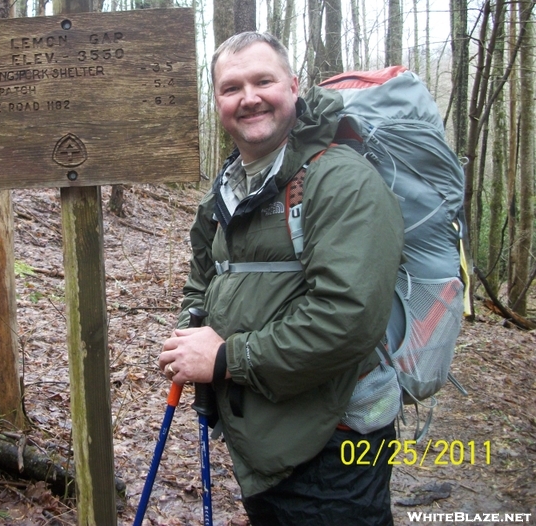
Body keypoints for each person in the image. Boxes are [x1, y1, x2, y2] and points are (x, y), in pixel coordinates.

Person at [158, 32, 405, 525]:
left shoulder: (341, 181)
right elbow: (202, 281)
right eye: (231, 88)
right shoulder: (228, 189)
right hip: (266, 438)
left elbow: (349, 319)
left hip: (337, 444)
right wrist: (192, 334)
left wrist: (227, 357)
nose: (248, 98)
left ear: (293, 86)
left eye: (262, 81)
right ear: (218, 102)